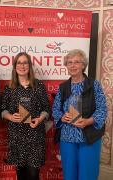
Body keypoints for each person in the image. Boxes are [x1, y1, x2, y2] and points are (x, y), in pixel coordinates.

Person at [52, 49, 107, 180]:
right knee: (69, 174)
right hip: (67, 137)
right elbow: (55, 109)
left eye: (77, 62)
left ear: (83, 65)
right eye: (69, 62)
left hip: (88, 137)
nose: (72, 65)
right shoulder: (63, 87)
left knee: (87, 174)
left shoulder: (94, 85)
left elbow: (102, 109)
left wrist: (88, 121)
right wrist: (61, 116)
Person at [1, 52, 50, 180]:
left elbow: (46, 109)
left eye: (25, 62)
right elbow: (2, 110)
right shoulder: (9, 87)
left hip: (35, 136)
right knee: (21, 174)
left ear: (29, 65)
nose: (22, 66)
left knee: (33, 174)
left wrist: (40, 119)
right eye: (19, 62)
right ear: (15, 66)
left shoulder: (38, 85)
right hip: (17, 136)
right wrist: (10, 117)